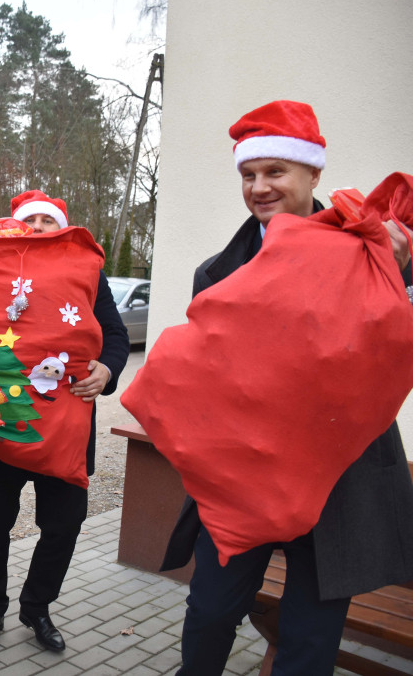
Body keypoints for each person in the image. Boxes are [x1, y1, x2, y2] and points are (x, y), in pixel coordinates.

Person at [162, 100, 413, 675]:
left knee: (310, 635)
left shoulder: (376, 250)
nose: (260, 187)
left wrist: (398, 279)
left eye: (276, 172)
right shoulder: (216, 271)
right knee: (208, 612)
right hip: (242, 476)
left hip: (338, 480)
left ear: (313, 174)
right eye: (249, 175)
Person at [0, 190, 130, 652]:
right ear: (16, 227)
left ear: (61, 227)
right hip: (2, 423)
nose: (38, 227)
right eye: (30, 221)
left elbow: (114, 336)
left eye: (47, 221)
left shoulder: (86, 273)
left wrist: (108, 369)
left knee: (64, 525)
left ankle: (36, 607)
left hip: (67, 426)